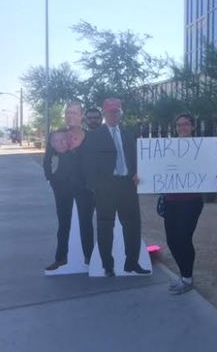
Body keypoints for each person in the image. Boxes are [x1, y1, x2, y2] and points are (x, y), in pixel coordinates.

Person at [83, 98, 150, 277]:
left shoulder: (129, 134)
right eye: (110, 112)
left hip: (128, 185)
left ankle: (132, 263)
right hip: (106, 187)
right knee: (105, 227)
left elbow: (136, 158)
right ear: (104, 114)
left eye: (116, 111)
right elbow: (88, 163)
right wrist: (94, 186)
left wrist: (138, 173)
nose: (113, 115)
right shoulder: (94, 136)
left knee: (133, 225)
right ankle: (108, 265)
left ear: (121, 113)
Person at [44, 102, 94, 270]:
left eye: (73, 113)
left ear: (82, 116)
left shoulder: (91, 137)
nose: (69, 116)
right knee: (63, 223)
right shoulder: (57, 135)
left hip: (85, 189)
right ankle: (60, 258)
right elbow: (47, 160)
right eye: (67, 113)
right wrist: (52, 180)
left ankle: (89, 257)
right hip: (62, 188)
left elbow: (97, 162)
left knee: (86, 223)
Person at [159, 113, 204, 294]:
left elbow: (207, 172)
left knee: (184, 239)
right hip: (171, 200)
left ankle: (187, 277)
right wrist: (143, 179)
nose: (182, 127)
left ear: (193, 127)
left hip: (191, 202)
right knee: (171, 240)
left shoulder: (202, 148)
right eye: (179, 125)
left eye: (186, 124)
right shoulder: (167, 147)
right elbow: (157, 170)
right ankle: (184, 274)